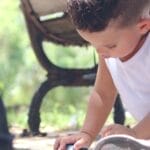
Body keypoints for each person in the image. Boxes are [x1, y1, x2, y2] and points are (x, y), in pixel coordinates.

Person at [54, 0, 150, 150]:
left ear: (143, 26)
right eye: (93, 44)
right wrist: (86, 133)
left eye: (110, 45)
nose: (100, 52)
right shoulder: (107, 51)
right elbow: (103, 93)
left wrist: (135, 134)